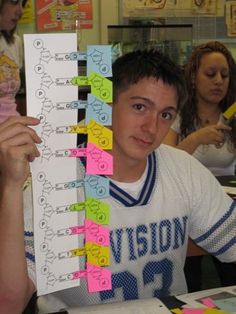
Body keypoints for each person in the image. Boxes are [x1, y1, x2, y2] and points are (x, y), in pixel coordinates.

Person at [0, 49, 235, 314]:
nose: (151, 127)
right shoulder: (56, 185)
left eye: (166, 115)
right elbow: (8, 303)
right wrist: (10, 185)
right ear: (107, 105)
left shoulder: (183, 170)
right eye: (139, 107)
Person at [163, 41, 236, 292]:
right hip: (188, 207)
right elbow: (163, 160)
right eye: (210, 74)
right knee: (189, 282)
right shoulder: (177, 115)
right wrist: (196, 139)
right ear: (193, 77)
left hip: (227, 207)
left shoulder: (232, 115)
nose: (218, 81)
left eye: (225, 75)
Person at [0, 0, 26, 123]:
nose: (21, 11)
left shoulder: (15, 42)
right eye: (14, 2)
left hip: (13, 127)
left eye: (23, 4)